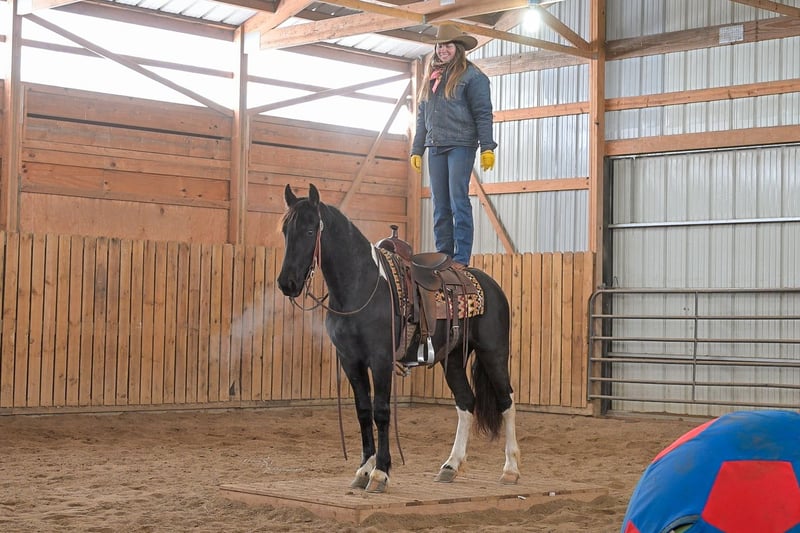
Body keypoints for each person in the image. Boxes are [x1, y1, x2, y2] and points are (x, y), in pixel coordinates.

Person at [410, 24, 497, 270]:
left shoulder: (473, 77)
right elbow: (422, 115)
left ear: (458, 48)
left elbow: (483, 113)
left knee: (458, 199)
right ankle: (444, 254)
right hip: (435, 145)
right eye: (440, 46)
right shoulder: (432, 77)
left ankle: (461, 257)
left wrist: (487, 147)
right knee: (440, 203)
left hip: (461, 144)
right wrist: (417, 149)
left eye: (448, 46)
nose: (443, 50)